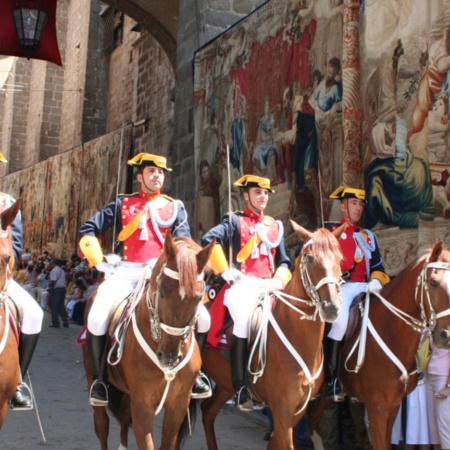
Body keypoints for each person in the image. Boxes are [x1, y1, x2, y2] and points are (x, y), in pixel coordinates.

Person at [78, 152, 211, 406]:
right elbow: (88, 230)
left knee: (204, 319)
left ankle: (197, 373)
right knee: (96, 318)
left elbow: (183, 240)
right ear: (140, 177)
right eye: (151, 172)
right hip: (128, 271)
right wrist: (98, 260)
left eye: (160, 172)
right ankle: (99, 380)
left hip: (163, 274)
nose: (157, 176)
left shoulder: (175, 207)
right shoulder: (123, 204)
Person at [201, 174, 292, 411]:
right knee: (242, 322)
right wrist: (225, 271)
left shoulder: (274, 227)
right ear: (246, 195)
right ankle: (240, 387)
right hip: (241, 284)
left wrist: (280, 280)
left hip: (268, 286)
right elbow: (208, 238)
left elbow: (284, 261)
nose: (262, 197)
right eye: (257, 193)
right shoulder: (234, 221)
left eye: (265, 193)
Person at [325, 186, 390, 401]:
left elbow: (379, 266)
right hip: (343, 286)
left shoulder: (368, 236)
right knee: (340, 322)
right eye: (354, 203)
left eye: (361, 204)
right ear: (343, 206)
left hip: (366, 286)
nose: (358, 208)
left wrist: (375, 281)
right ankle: (332, 379)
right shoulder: (331, 231)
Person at [0, 153, 44, 410]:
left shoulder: (6, 203)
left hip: (0, 273)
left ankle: (17, 383)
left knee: (35, 313)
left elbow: (16, 246)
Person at [426, 334, 450, 450]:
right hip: (430, 375)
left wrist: (448, 386)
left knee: (444, 424)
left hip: (443, 377)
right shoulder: (434, 326)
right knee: (434, 427)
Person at [49, 259, 69, 328]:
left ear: (54, 263)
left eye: (51, 263)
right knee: (61, 306)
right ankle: (65, 321)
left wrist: (51, 286)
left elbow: (53, 281)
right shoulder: (62, 270)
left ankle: (55, 322)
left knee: (54, 306)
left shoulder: (54, 271)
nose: (50, 265)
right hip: (62, 288)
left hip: (57, 289)